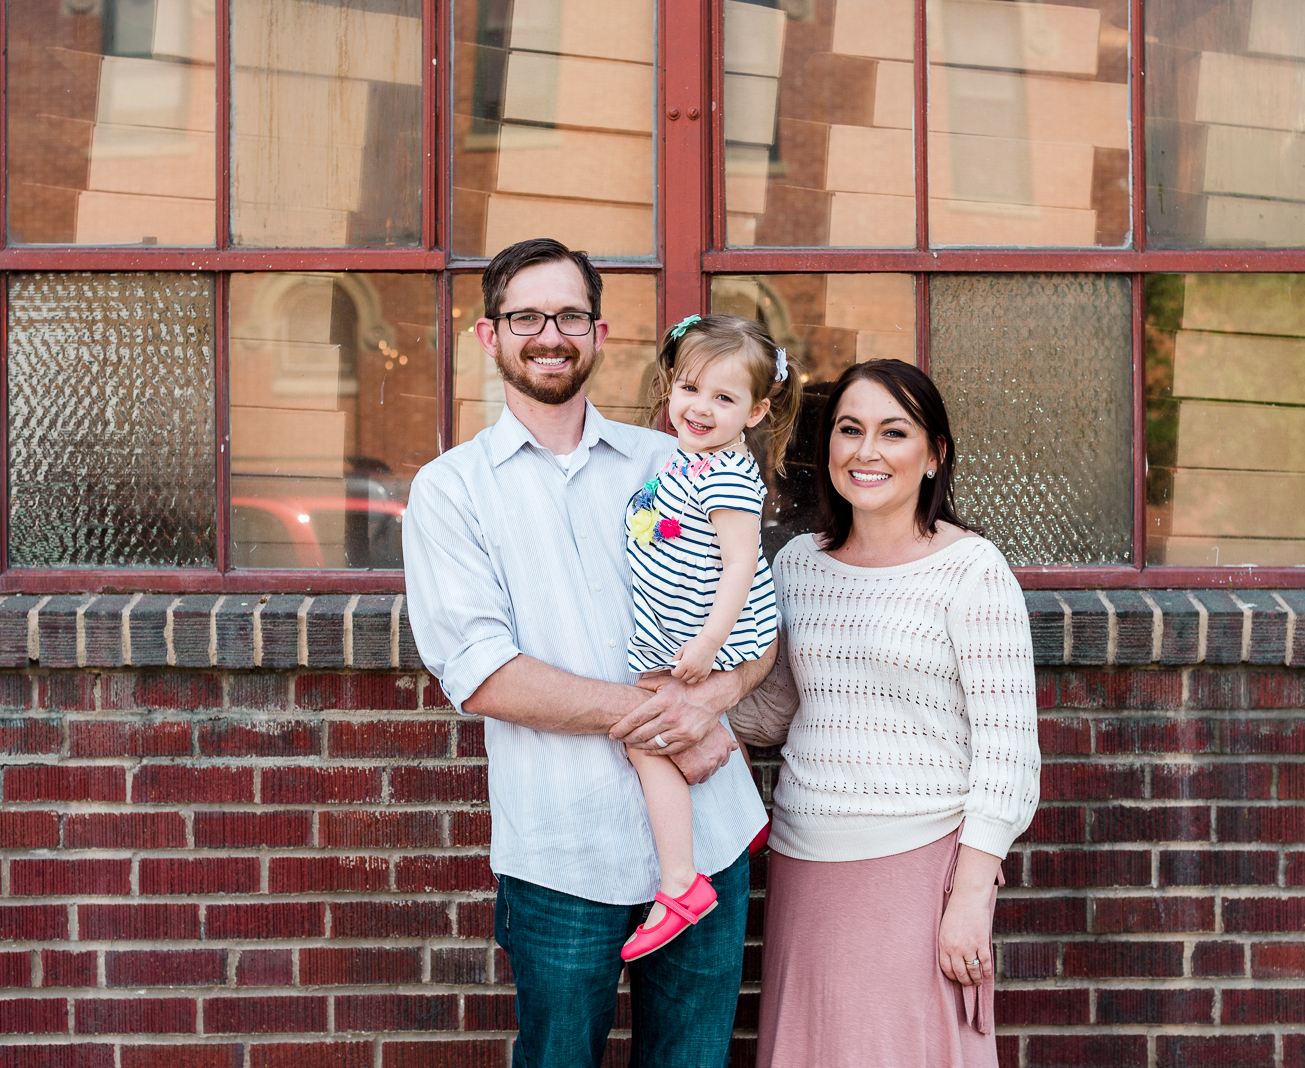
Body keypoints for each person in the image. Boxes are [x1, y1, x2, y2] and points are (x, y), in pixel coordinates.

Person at [402, 238, 772, 1068]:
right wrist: (669, 715)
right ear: (487, 336)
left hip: (708, 844)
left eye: (570, 314)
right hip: (561, 852)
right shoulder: (452, 490)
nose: (550, 333)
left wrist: (712, 701)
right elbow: (484, 675)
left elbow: (756, 622)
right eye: (525, 315)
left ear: (600, 333)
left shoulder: (675, 459)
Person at [728, 359, 1041, 1068]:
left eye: (893, 432)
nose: (867, 451)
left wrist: (970, 897)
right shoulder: (798, 564)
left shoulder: (971, 570)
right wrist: (681, 706)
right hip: (807, 861)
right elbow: (777, 711)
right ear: (827, 448)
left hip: (921, 863)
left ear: (934, 455)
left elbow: (1010, 754)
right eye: (850, 429)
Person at [618, 314, 801, 961]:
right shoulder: (686, 459)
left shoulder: (726, 476)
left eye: (723, 399)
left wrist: (706, 643)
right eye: (690, 388)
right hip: (683, 626)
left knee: (647, 737)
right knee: (666, 729)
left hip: (712, 635)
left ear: (755, 412)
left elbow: (740, 565)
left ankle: (680, 884)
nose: (699, 407)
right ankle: (746, 819)